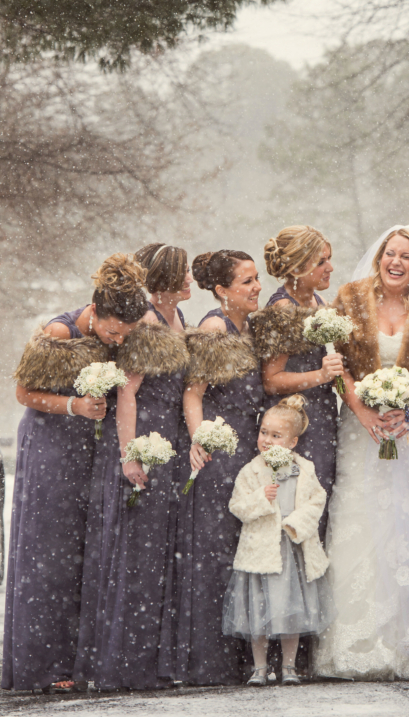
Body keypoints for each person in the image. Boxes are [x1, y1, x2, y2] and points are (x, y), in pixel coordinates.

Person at [314, 225, 409, 681]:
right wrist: (361, 410)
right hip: (359, 426)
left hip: (408, 429)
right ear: (380, 256)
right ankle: (356, 644)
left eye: (406, 256)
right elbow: (338, 362)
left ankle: (408, 645)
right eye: (390, 254)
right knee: (358, 522)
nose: (396, 262)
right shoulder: (350, 296)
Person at [2, 254, 149, 693]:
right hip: (50, 442)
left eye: (126, 333)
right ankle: (42, 664)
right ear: (94, 310)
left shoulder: (121, 334)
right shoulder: (59, 332)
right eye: (112, 331)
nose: (118, 339)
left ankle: (77, 658)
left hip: (91, 446)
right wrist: (73, 405)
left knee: (82, 551)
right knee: (48, 552)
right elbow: (24, 392)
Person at [74, 272, 190, 690]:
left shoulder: (176, 320)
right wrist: (130, 454)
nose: (190, 279)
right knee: (134, 551)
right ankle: (123, 660)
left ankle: (156, 657)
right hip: (142, 439)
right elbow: (127, 393)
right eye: (184, 275)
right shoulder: (142, 328)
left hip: (169, 440)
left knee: (159, 550)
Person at [164, 249, 264, 686]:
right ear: (222, 290)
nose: (257, 287)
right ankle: (209, 658)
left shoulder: (249, 324)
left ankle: (244, 656)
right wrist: (200, 440)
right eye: (246, 282)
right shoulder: (214, 326)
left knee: (243, 548)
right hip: (222, 449)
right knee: (215, 550)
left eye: (256, 279)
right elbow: (193, 392)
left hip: (250, 446)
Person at [223, 395, 333, 686]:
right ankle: (259, 667)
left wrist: (295, 524)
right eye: (263, 433)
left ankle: (289, 665)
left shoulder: (304, 468)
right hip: (261, 552)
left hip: (291, 550)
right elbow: (238, 506)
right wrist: (261, 498)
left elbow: (316, 500)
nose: (267, 441)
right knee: (257, 611)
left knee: (290, 610)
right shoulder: (252, 470)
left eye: (276, 435)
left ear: (293, 442)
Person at [256, 226, 344, 533]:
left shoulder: (317, 301)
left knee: (319, 500)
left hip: (322, 416)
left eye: (329, 259)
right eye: (321, 261)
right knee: (297, 507)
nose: (329, 268)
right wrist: (320, 375)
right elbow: (271, 380)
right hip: (296, 423)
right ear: (296, 267)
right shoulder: (283, 308)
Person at [135, 242, 192, 330]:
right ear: (160, 282)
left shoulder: (177, 312)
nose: (190, 279)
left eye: (188, 270)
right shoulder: (150, 321)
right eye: (180, 275)